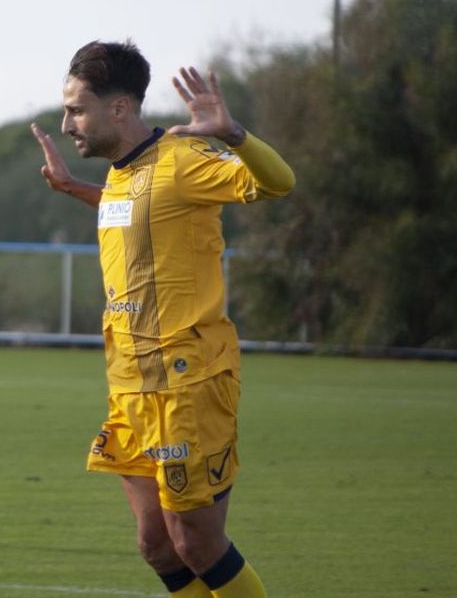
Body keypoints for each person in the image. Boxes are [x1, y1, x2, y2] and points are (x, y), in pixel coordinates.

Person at [30, 40, 295, 598]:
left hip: (187, 382)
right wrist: (75, 189)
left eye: (77, 110)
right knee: (156, 544)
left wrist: (233, 135)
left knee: (196, 543)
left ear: (120, 108)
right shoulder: (125, 174)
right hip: (130, 384)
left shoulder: (182, 160)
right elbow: (132, 211)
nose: (67, 123)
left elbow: (276, 184)